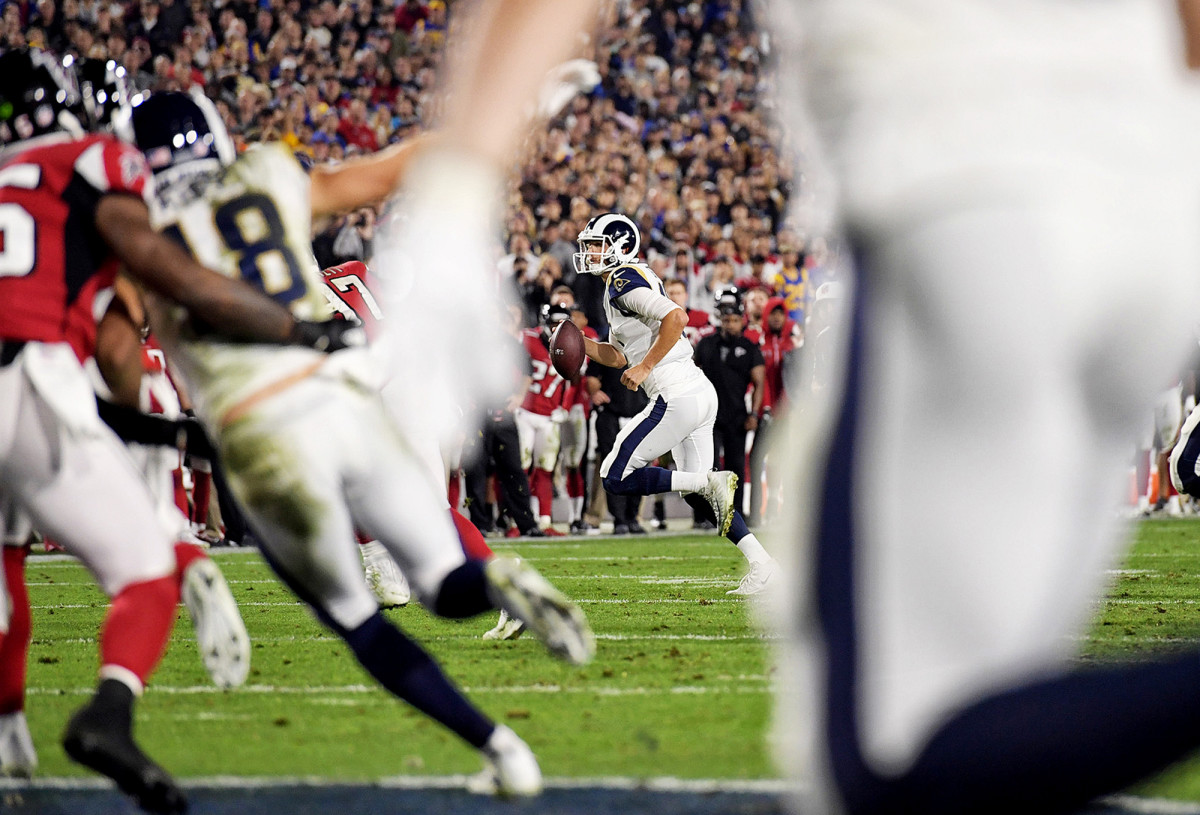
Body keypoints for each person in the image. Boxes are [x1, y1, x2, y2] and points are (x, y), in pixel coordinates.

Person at [766, 2, 1200, 813]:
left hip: (964, 178)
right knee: (1010, 707)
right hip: (1157, 205)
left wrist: (458, 187)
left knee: (892, 761)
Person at [125, 88, 595, 795]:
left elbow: (126, 345)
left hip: (261, 427)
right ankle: (496, 577)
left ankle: (503, 750)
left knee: (357, 618)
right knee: (444, 579)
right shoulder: (268, 175)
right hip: (346, 394)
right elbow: (397, 164)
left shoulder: (130, 226)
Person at [0, 48, 349, 814]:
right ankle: (110, 708)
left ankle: (9, 734)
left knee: (8, 559)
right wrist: (291, 328)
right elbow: (148, 301)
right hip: (26, 375)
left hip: (30, 373)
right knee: (144, 571)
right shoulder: (89, 161)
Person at [575, 212, 779, 595]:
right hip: (696, 391)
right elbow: (618, 355)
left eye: (598, 245)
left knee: (614, 477)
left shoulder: (622, 280)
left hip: (675, 393)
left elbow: (677, 316)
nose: (590, 253)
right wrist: (578, 342)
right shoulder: (625, 282)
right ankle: (763, 564)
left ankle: (706, 481)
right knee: (703, 501)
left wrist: (647, 365)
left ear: (620, 245)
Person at [694, 290, 765, 526]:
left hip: (736, 416)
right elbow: (692, 374)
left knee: (735, 468)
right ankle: (707, 514)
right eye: (726, 321)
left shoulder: (750, 347)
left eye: (735, 320)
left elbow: (759, 382)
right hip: (709, 416)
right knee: (708, 466)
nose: (731, 325)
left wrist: (754, 413)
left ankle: (735, 514)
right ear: (720, 321)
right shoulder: (706, 345)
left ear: (742, 321)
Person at [515, 303, 572, 534]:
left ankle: (544, 520)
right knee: (520, 467)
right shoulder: (526, 338)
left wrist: (565, 406)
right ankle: (518, 520)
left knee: (545, 469)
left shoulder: (571, 344)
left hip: (549, 416)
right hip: (525, 413)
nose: (557, 329)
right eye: (553, 324)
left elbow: (573, 381)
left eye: (562, 324)